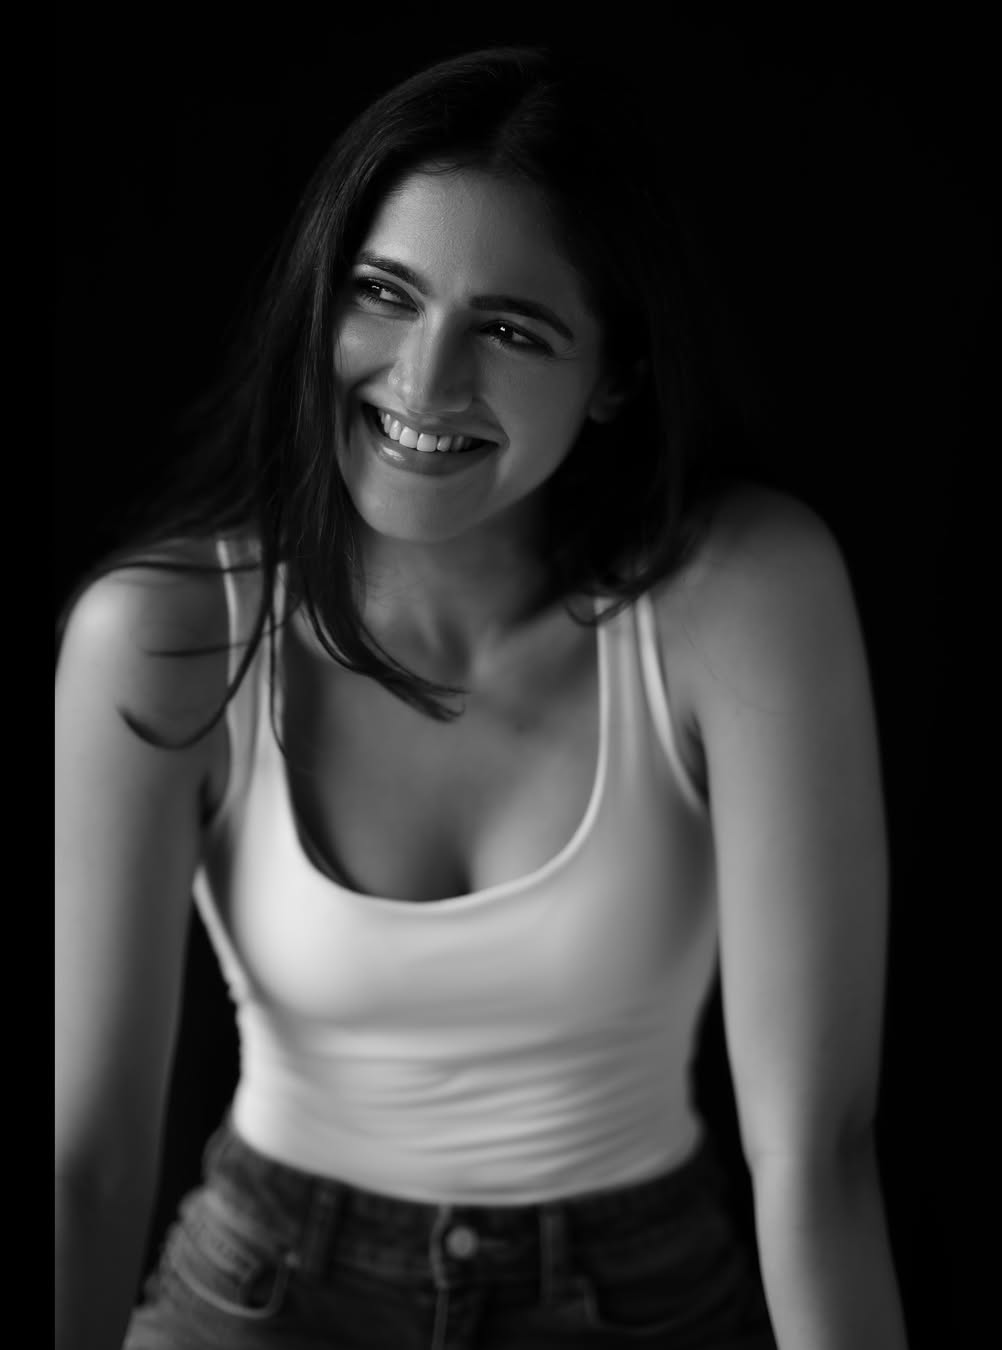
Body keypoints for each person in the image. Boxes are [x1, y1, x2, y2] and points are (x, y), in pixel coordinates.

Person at [54, 43, 909, 1350]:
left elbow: (817, 1153)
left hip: (635, 1297)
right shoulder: (165, 634)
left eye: (510, 330)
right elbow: (88, 1162)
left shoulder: (740, 598)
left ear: (616, 375)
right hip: (266, 1288)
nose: (423, 381)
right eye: (384, 294)